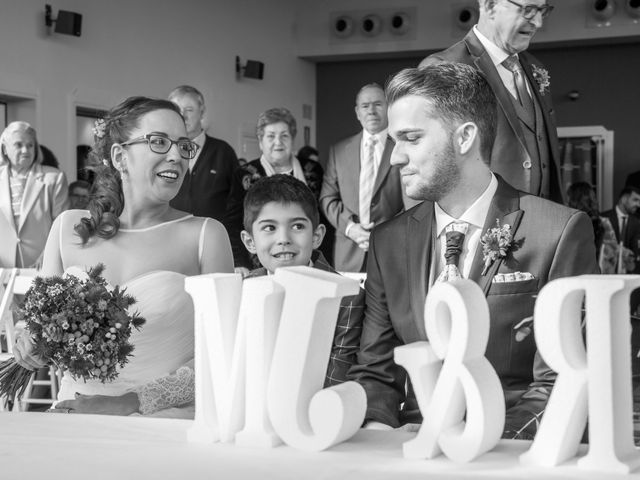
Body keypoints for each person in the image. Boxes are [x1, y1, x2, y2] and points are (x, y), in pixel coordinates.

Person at [348, 63, 598, 439]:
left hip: (514, 448)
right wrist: (379, 432)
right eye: (393, 141)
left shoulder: (558, 232)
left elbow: (562, 381)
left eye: (411, 138)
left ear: (465, 138)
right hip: (414, 446)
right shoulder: (388, 241)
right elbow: (374, 371)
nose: (395, 157)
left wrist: (475, 445)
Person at [14, 96, 234, 417]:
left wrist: (127, 403)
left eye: (183, 145)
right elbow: (36, 323)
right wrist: (29, 341)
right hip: (72, 415)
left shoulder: (205, 236)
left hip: (165, 424)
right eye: (159, 142)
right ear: (119, 156)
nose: (176, 155)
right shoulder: (66, 229)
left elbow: (221, 353)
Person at [420, 0, 563, 203]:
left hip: (543, 220)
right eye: (528, 10)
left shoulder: (534, 67)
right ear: (489, 6)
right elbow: (427, 164)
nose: (538, 22)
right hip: (481, 223)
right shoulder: (445, 67)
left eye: (542, 11)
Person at [239, 174, 364, 386]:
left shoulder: (348, 298)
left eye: (297, 226)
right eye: (269, 228)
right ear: (250, 241)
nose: (283, 239)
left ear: (316, 236)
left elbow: (338, 377)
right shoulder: (242, 290)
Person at [319, 83, 404, 273]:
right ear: (358, 112)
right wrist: (350, 228)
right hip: (348, 252)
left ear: (389, 108)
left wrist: (384, 234)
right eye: (365, 106)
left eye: (378, 104)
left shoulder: (402, 147)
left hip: (391, 252)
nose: (371, 111)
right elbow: (327, 198)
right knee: (349, 303)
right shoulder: (339, 151)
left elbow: (412, 204)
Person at [226, 107, 323, 270]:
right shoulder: (244, 174)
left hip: (306, 256)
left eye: (284, 135)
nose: (278, 142)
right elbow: (233, 223)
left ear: (292, 139)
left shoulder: (313, 169)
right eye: (271, 136)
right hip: (259, 261)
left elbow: (321, 216)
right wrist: (239, 263)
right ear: (260, 141)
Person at [0, 121, 69, 268]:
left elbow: (61, 226)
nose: (25, 150)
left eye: (30, 145)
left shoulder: (54, 178)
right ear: (5, 149)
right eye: (18, 145)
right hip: (2, 270)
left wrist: (47, 257)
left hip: (41, 267)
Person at [168, 85, 239, 222]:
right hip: (170, 236)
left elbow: (237, 202)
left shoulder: (223, 152)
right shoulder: (163, 151)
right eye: (177, 110)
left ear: (202, 112)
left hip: (213, 238)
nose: (183, 116)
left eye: (189, 110)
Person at [566, 182, 633, 274]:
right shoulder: (602, 222)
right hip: (597, 276)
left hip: (573, 275)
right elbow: (613, 250)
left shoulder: (568, 223)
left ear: (573, 200)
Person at [601, 186, 640, 274]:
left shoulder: (637, 223)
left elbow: (636, 251)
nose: (638, 205)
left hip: (629, 273)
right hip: (605, 273)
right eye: (635, 200)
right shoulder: (603, 218)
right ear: (624, 199)